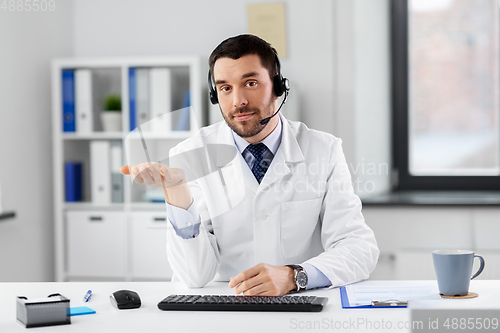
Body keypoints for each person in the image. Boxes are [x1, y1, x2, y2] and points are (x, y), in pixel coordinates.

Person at [121, 34, 379, 296]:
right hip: (223, 303)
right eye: (225, 88)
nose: (238, 101)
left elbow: (359, 248)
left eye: (251, 83)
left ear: (278, 86)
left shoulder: (324, 150)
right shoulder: (189, 155)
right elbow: (194, 276)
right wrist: (178, 197)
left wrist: (294, 275)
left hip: (299, 300)